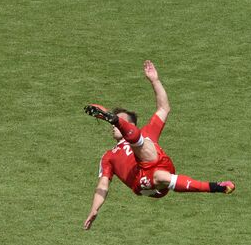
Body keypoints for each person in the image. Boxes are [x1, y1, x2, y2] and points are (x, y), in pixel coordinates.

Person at [82, 60, 235, 230]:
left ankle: (217, 188)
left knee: (154, 161)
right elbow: (103, 185)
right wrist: (94, 209)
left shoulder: (147, 132)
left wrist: (155, 80)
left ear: (132, 124)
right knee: (156, 171)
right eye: (114, 122)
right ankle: (213, 187)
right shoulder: (108, 157)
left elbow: (164, 108)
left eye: (119, 122)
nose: (113, 127)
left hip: (160, 164)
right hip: (141, 182)